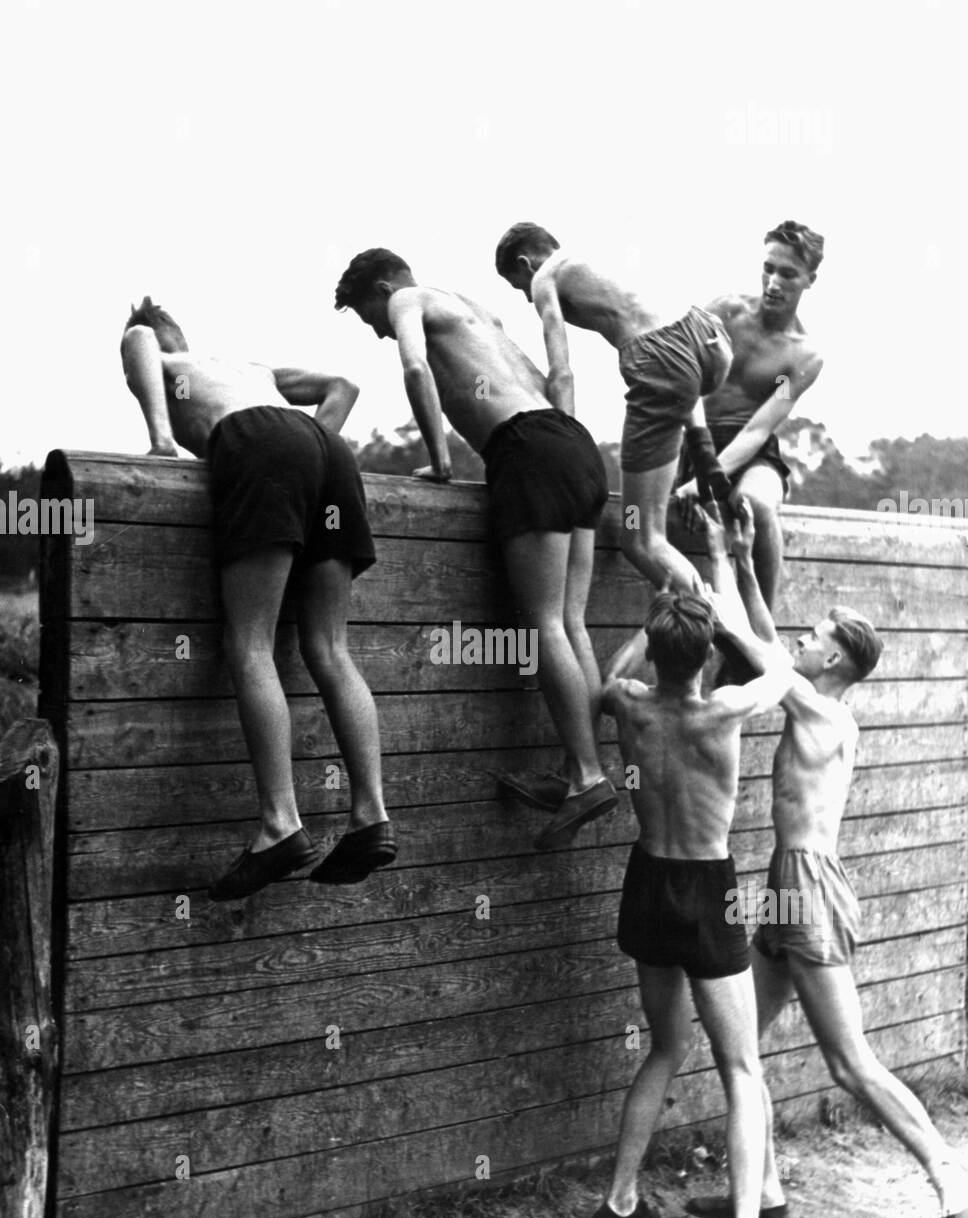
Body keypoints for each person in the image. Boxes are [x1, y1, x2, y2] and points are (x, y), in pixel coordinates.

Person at [685, 501, 968, 1218]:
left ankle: (952, 1187)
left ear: (835, 662)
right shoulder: (811, 694)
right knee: (740, 1040)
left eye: (814, 639)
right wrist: (742, 560)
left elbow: (742, 638)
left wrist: (712, 558)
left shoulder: (822, 712)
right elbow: (768, 639)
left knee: (850, 1063)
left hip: (807, 887)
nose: (801, 641)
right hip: (783, 881)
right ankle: (766, 1196)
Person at [334, 250, 616, 851]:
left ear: (385, 287)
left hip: (524, 449)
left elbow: (416, 369)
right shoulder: (478, 311)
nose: (380, 329)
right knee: (572, 622)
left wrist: (440, 459)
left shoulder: (411, 299)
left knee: (543, 624)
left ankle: (589, 776)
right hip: (572, 443)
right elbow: (550, 379)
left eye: (370, 317)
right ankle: (578, 772)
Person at [120, 296, 395, 899]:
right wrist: (302, 460)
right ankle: (369, 815)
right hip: (327, 454)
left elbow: (139, 338)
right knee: (329, 647)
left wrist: (162, 438)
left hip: (260, 446)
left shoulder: (164, 357)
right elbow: (345, 385)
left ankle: (280, 825)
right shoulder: (251, 370)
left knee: (249, 645)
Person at [590, 536, 794, 1218]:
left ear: (657, 652)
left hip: (647, 878)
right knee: (742, 1068)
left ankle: (619, 1199)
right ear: (705, 656)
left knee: (665, 1048)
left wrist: (658, 620)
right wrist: (714, 610)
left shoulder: (629, 705)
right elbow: (780, 668)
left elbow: (609, 676)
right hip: (707, 888)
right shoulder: (726, 710)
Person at [494, 222, 734, 593]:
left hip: (662, 363)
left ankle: (719, 628)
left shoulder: (545, 277)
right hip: (705, 335)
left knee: (639, 536)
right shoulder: (593, 255)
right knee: (676, 383)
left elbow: (561, 373)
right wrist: (699, 442)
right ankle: (702, 448)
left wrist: (565, 448)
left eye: (518, 287)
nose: (527, 297)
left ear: (525, 263)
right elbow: (677, 353)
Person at [678, 220, 825, 613]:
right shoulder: (725, 310)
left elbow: (759, 429)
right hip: (696, 437)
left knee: (756, 504)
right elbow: (678, 374)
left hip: (751, 452)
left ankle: (765, 631)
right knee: (661, 519)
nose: (774, 282)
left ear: (810, 279)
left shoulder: (804, 355)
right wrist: (695, 467)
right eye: (768, 269)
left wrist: (710, 475)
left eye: (788, 274)